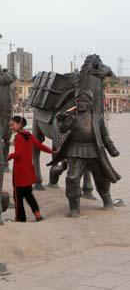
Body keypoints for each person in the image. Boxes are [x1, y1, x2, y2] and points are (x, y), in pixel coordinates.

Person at [51, 89, 120, 217]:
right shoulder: (72, 116)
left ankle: (107, 200)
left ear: (90, 102)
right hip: (75, 150)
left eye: (84, 101)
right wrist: (61, 119)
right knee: (72, 178)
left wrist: (112, 149)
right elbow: (62, 129)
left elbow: (104, 136)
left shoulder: (97, 117)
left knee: (102, 177)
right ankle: (74, 208)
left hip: (94, 150)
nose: (81, 104)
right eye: (78, 101)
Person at [7, 116, 53, 222]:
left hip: (19, 173)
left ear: (19, 124)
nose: (11, 127)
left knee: (18, 198)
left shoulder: (18, 137)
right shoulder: (29, 136)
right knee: (29, 195)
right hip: (28, 172)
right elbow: (40, 146)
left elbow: (18, 153)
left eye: (13, 124)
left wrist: (9, 157)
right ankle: (37, 214)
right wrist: (52, 151)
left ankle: (20, 218)